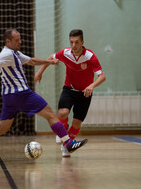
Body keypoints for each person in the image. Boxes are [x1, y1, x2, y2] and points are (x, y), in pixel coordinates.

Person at [0, 28, 87, 158]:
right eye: (17, 40)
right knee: (51, 115)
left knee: (2, 127)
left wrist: (50, 62)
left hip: (9, 97)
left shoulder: (15, 54)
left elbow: (32, 61)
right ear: (8, 41)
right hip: (22, 93)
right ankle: (68, 143)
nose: (20, 42)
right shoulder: (6, 54)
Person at [35, 29, 106, 157]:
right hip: (69, 89)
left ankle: (66, 146)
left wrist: (92, 85)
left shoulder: (90, 56)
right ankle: (62, 131)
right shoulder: (66, 53)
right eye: (71, 42)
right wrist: (40, 72)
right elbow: (51, 57)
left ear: (82, 42)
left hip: (85, 93)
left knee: (77, 123)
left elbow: (102, 76)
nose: (74, 45)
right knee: (63, 113)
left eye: (77, 42)